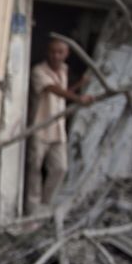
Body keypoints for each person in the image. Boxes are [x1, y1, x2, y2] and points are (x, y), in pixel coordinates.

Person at [25, 37, 93, 213]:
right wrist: (79, 98)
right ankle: (32, 208)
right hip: (40, 129)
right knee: (35, 170)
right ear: (47, 52)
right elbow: (52, 89)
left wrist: (79, 85)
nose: (56, 56)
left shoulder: (64, 70)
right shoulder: (38, 71)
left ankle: (45, 206)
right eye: (53, 51)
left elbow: (62, 94)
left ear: (66, 54)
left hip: (58, 130)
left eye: (60, 52)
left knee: (60, 168)